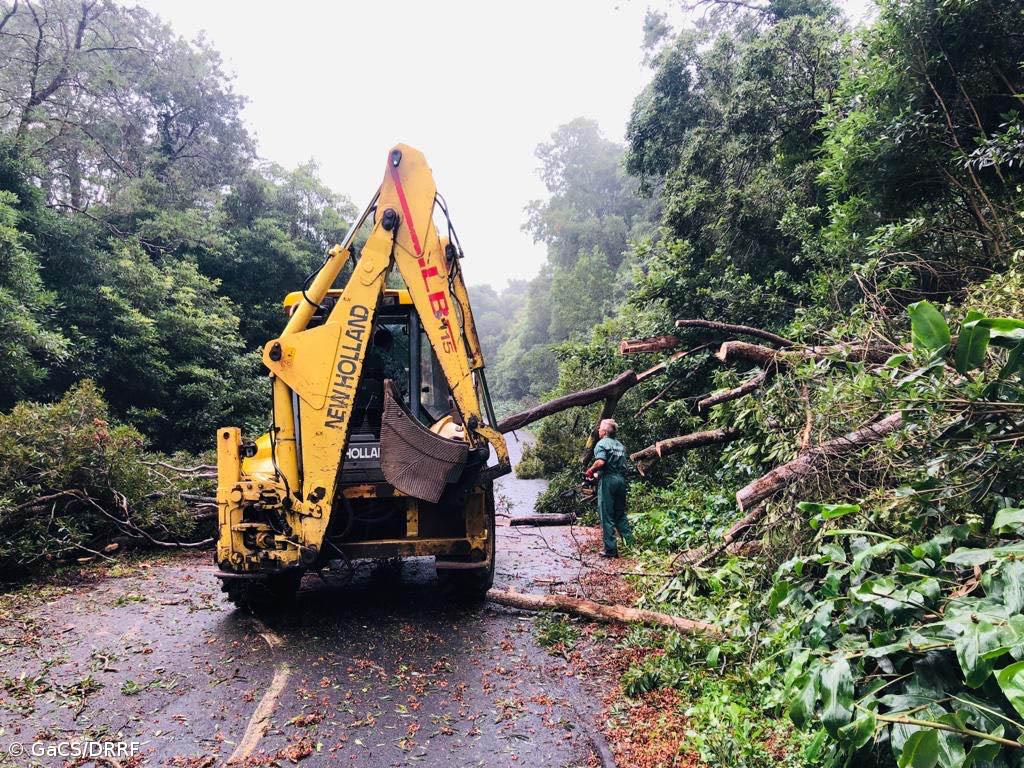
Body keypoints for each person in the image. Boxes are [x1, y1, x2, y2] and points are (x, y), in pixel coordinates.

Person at [584, 419, 633, 558]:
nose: (598, 430)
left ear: (604, 432)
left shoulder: (601, 444)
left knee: (606, 515)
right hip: (621, 481)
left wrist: (590, 470)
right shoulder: (620, 446)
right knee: (620, 514)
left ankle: (610, 550)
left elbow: (600, 461)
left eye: (600, 428)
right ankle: (630, 545)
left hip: (609, 481)